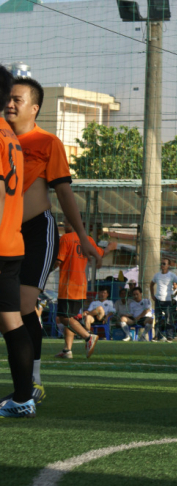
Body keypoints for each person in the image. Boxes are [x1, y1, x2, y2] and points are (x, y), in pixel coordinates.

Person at [5, 77, 102, 399]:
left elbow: (64, 191)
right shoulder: (2, 140)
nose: (10, 103)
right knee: (9, 310)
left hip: (36, 232)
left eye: (17, 99)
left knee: (22, 306)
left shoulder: (48, 143)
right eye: (7, 98)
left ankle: (31, 384)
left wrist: (84, 238)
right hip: (5, 234)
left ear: (34, 108)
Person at [0, 66, 36, 418]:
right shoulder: (10, 136)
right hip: (12, 243)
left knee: (11, 321)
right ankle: (23, 398)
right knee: (11, 321)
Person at [53, 217, 115, 359]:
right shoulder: (87, 240)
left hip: (68, 285)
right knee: (70, 317)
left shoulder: (66, 239)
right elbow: (100, 253)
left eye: (66, 222)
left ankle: (88, 337)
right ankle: (67, 350)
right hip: (81, 285)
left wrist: (43, 273)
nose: (64, 225)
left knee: (63, 318)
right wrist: (110, 248)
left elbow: (58, 261)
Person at [150, 258, 177, 342]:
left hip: (167, 300)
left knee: (168, 319)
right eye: (161, 264)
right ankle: (156, 336)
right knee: (157, 319)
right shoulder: (157, 275)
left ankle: (169, 336)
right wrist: (152, 295)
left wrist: (175, 294)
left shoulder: (172, 275)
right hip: (158, 300)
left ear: (168, 265)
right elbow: (151, 284)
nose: (162, 265)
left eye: (164, 264)